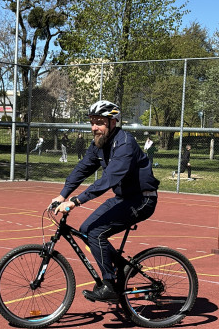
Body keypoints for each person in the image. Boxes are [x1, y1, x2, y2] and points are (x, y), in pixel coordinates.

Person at [51, 100, 160, 302]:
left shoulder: (125, 144)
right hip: (124, 198)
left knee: (96, 232)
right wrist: (62, 194)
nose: (94, 127)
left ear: (113, 122)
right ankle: (122, 266)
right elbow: (82, 168)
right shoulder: (99, 144)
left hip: (143, 200)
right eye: (92, 122)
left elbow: (110, 178)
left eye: (99, 122)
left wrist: (75, 201)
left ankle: (109, 285)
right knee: (85, 229)